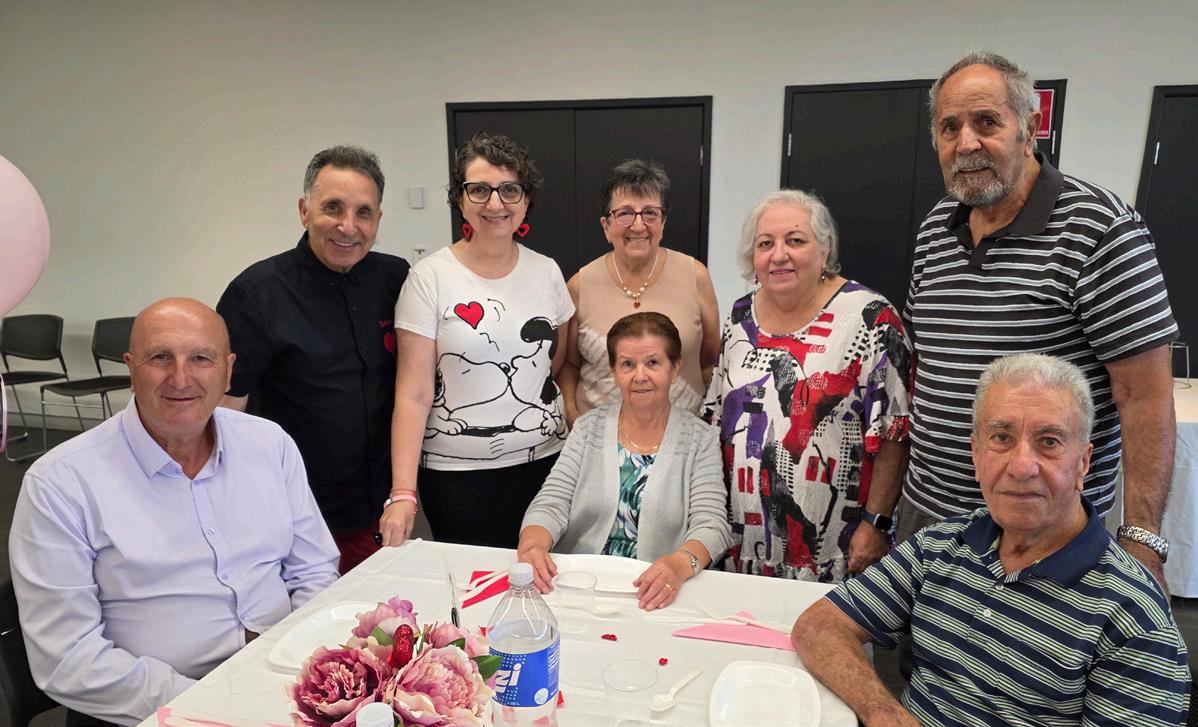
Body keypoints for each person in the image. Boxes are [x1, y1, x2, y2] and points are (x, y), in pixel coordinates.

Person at [792, 353, 1189, 726]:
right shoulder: (941, 545)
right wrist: (883, 713)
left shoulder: (1135, 618)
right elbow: (819, 625)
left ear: (1083, 462)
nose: (1022, 466)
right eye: (1001, 437)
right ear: (976, 453)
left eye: (1049, 442)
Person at [902, 51, 1177, 587]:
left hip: (1043, 529)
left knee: (1036, 647)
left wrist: (1142, 538)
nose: (966, 143)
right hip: (929, 517)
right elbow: (931, 366)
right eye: (949, 127)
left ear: (1030, 129)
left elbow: (1144, 396)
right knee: (923, 643)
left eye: (986, 122)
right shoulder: (936, 226)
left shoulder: (1099, 228)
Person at [9, 299, 339, 727]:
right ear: (131, 368)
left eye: (201, 358)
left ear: (228, 370)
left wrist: (305, 661)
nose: (181, 378)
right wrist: (218, 706)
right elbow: (69, 660)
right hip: (149, 710)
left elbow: (313, 569)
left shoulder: (269, 444)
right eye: (160, 357)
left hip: (284, 683)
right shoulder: (60, 483)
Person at [216, 145, 409, 574]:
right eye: (332, 208)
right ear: (305, 211)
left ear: (378, 219)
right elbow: (226, 410)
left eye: (363, 212)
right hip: (297, 512)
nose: (348, 226)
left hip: (384, 507)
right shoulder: (257, 294)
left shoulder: (396, 278)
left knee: (384, 608)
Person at [702, 189, 912, 582]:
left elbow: (894, 433)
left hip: (835, 549)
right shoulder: (740, 317)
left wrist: (876, 523)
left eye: (795, 240)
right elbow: (716, 415)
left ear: (824, 249)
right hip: (742, 544)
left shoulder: (870, 319)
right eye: (765, 244)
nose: (778, 255)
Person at [385, 133, 572, 548]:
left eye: (509, 190)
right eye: (480, 190)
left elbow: (555, 364)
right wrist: (402, 493)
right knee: (475, 581)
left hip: (546, 465)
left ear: (526, 200)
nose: (495, 203)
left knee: (543, 575)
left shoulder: (547, 272)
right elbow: (413, 393)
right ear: (460, 198)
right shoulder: (429, 278)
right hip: (457, 478)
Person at [519, 312, 732, 611]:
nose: (640, 376)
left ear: (674, 369)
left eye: (653, 363)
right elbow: (551, 503)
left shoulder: (701, 439)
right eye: (627, 364)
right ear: (614, 371)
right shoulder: (587, 428)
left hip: (655, 593)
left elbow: (711, 524)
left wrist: (680, 564)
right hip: (578, 587)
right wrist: (532, 547)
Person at [559, 160, 720, 424]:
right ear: (606, 226)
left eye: (650, 213)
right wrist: (571, 413)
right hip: (598, 433)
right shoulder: (579, 285)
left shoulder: (695, 276)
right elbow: (570, 364)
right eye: (624, 213)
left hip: (680, 432)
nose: (638, 225)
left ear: (663, 222)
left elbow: (710, 360)